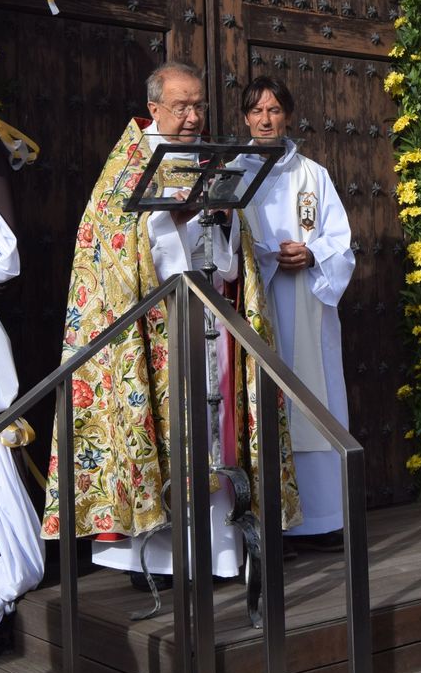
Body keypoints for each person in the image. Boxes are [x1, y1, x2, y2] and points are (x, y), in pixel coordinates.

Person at [40, 62, 300, 580]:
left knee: (211, 433)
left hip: (208, 329)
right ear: (154, 107)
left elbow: (232, 264)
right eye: (181, 106)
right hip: (153, 331)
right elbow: (112, 254)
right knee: (164, 433)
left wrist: (223, 223)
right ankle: (155, 561)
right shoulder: (126, 169)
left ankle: (220, 554)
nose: (192, 116)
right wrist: (169, 219)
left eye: (199, 105)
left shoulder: (212, 160)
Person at [236, 77, 356, 551]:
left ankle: (323, 518)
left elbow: (340, 239)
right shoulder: (235, 171)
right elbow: (226, 240)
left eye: (274, 110)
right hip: (257, 299)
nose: (266, 120)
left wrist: (310, 254)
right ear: (246, 118)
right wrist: (267, 256)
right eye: (257, 112)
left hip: (308, 302)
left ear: (288, 115)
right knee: (261, 400)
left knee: (313, 399)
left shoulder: (314, 175)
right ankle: (266, 521)